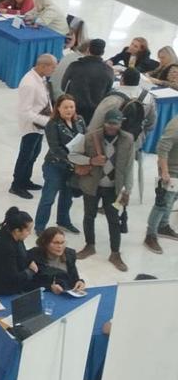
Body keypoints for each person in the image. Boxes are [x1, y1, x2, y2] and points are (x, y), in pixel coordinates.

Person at [72, 109, 134, 271]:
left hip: (114, 189)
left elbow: (129, 167)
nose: (112, 127)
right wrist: (91, 160)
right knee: (89, 216)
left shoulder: (128, 139)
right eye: (109, 123)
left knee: (114, 221)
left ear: (121, 124)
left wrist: (128, 189)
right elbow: (73, 156)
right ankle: (89, 245)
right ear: (104, 122)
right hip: (92, 185)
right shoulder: (91, 136)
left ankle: (115, 253)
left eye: (116, 123)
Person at [35, 94, 85, 235]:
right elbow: (55, 148)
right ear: (58, 108)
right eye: (65, 107)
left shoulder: (80, 120)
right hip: (55, 165)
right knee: (48, 197)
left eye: (71, 107)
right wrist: (73, 159)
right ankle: (40, 226)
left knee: (67, 197)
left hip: (72, 167)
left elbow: (85, 138)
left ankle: (63, 221)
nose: (69, 110)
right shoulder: (52, 124)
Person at [10, 54, 57, 197]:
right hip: (31, 126)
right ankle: (17, 184)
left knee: (34, 154)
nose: (54, 70)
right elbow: (25, 112)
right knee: (25, 155)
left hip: (40, 124)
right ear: (43, 66)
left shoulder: (41, 78)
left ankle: (26, 180)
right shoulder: (29, 83)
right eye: (52, 67)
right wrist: (47, 121)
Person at [0, 207, 38, 297]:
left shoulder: (12, 233)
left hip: (6, 285)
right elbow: (11, 277)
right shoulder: (6, 248)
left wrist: (29, 261)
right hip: (0, 290)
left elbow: (22, 253)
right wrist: (30, 271)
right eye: (28, 230)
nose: (30, 233)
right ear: (17, 231)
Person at [60, 38, 113, 124]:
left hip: (72, 109)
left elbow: (63, 87)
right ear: (103, 53)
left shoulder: (75, 66)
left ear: (88, 49)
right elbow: (108, 93)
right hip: (94, 114)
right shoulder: (109, 71)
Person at [146, 117, 178, 251]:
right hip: (171, 170)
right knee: (162, 202)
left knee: (173, 199)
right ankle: (150, 235)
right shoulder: (175, 125)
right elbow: (162, 147)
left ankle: (163, 226)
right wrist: (164, 171)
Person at [28, 228, 86, 293]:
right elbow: (27, 285)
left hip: (66, 294)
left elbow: (74, 278)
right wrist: (49, 287)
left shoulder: (69, 255)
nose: (60, 246)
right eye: (56, 243)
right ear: (45, 243)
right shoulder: (33, 256)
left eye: (62, 242)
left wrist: (80, 282)